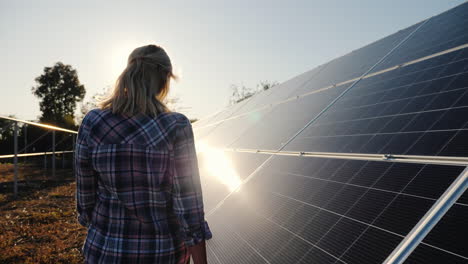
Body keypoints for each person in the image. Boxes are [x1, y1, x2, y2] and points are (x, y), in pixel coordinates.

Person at [75, 44, 212, 264]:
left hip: (104, 252)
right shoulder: (175, 125)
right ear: (164, 78)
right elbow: (188, 208)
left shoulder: (93, 122)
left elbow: (86, 200)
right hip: (162, 254)